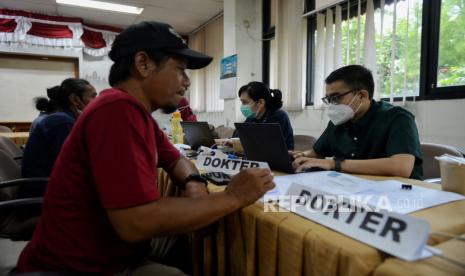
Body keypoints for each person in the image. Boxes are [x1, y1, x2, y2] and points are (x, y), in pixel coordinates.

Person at [17, 21, 274, 275]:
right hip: (82, 266)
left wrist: (194, 183)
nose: (187, 82)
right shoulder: (116, 111)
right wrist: (232, 196)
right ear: (143, 64)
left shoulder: (134, 112)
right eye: (180, 70)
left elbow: (175, 160)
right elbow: (135, 222)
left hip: (112, 251)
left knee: (193, 241)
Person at [292, 65, 423, 180]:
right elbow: (317, 152)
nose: (332, 105)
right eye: (329, 99)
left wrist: (333, 163)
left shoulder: (398, 118)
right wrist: (300, 155)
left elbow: (401, 167)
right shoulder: (339, 121)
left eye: (336, 98)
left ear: (362, 95)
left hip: (401, 195)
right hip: (353, 187)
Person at [21, 78, 97, 178]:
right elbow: (72, 164)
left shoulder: (64, 119)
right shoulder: (61, 122)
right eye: (93, 97)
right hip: (42, 187)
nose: (97, 101)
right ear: (74, 99)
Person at [233, 81, 294, 150]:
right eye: (242, 102)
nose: (242, 106)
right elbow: (236, 137)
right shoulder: (252, 118)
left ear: (260, 103)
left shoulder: (279, 116)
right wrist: (227, 141)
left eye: (245, 102)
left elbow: (267, 146)